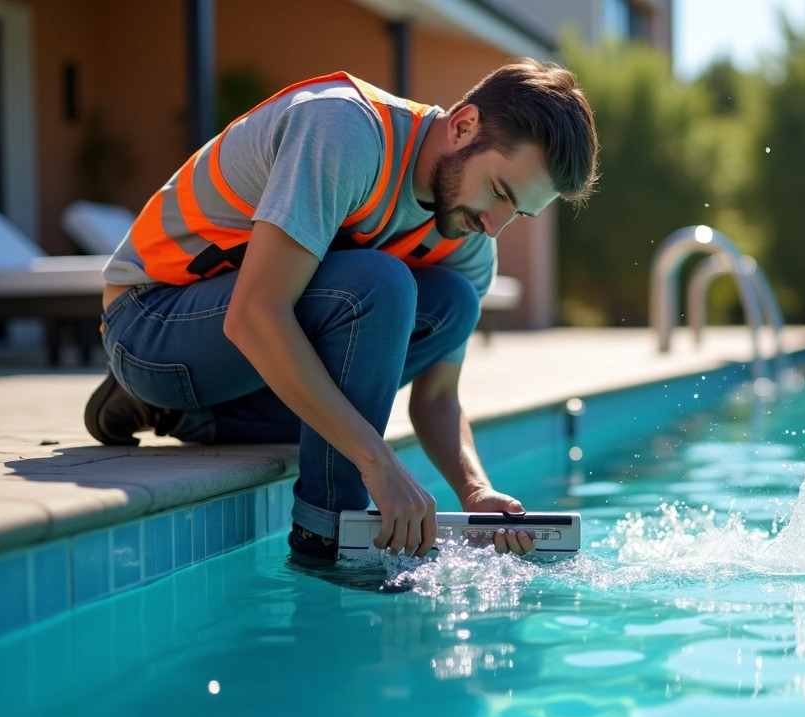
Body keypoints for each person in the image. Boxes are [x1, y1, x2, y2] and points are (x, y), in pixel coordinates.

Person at [83, 59, 599, 562]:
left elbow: (438, 399)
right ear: (463, 126)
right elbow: (255, 313)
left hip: (238, 352)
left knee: (454, 303)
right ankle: (326, 536)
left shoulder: (466, 236)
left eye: (518, 213)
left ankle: (186, 414)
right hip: (151, 320)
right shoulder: (346, 129)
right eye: (499, 192)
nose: (493, 225)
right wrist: (375, 461)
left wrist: (476, 492)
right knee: (380, 284)